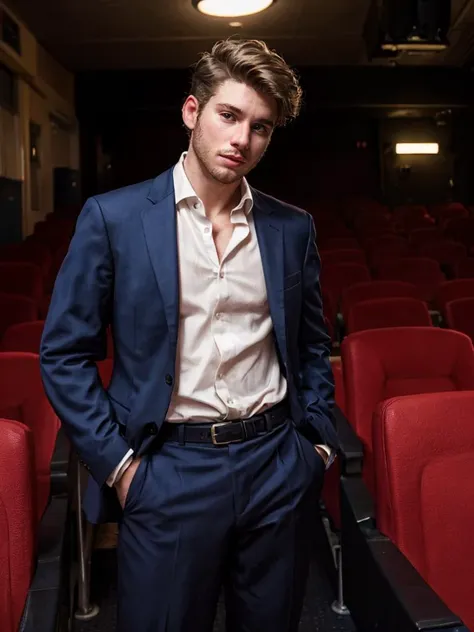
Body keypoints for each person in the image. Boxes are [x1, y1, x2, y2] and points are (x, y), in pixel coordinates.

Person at [40, 38, 339, 632]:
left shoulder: (291, 228)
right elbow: (63, 354)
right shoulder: (114, 218)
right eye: (229, 116)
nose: (242, 140)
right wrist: (122, 468)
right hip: (167, 470)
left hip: (277, 462)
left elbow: (311, 347)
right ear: (191, 112)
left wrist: (317, 446)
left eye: (261, 127)